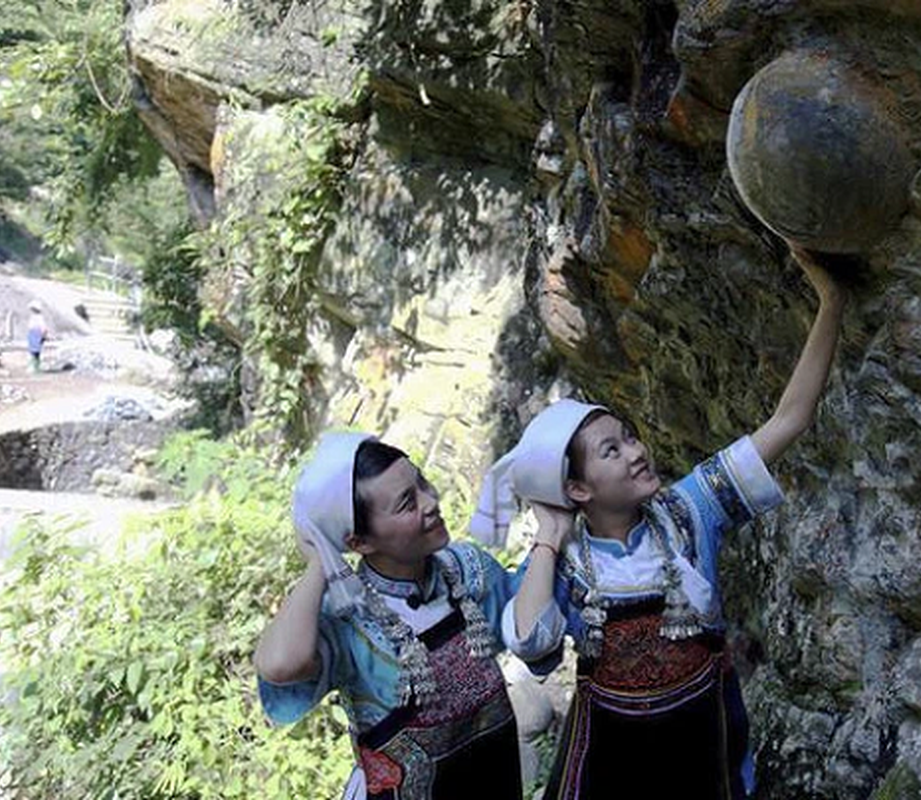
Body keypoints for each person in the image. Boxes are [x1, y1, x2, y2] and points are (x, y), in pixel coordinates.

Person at [475, 245, 845, 799]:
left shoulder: (690, 510)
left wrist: (832, 300)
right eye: (610, 451)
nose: (634, 452)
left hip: (702, 741)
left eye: (628, 436)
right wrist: (550, 539)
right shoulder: (569, 564)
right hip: (612, 762)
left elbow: (789, 419)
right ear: (577, 489)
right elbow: (530, 643)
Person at [254, 432, 524, 800]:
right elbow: (281, 665)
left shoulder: (468, 569)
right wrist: (321, 558)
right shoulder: (352, 618)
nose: (431, 502)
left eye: (423, 484)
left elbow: (530, 623)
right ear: (360, 543)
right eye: (406, 503)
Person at [26, 299, 47, 373]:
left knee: (36, 351)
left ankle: (36, 367)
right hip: (33, 333)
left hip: (36, 333)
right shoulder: (33, 317)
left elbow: (43, 327)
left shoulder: (39, 317)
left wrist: (43, 335)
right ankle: (34, 366)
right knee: (33, 351)